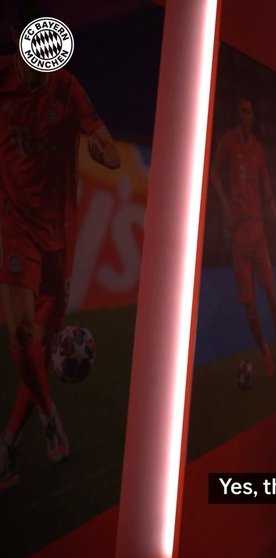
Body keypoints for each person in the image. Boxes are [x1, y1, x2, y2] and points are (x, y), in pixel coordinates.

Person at [0, 0, 121, 489]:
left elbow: (110, 151)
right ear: (15, 34)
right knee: (21, 333)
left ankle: (10, 438)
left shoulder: (67, 88)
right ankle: (50, 416)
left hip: (59, 238)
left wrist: (101, 150)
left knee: (42, 343)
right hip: (14, 229)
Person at [210, 97, 276, 377]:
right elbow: (214, 174)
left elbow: (265, 184)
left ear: (252, 117)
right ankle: (265, 351)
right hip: (239, 236)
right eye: (241, 111)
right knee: (249, 304)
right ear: (237, 115)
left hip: (258, 234)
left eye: (249, 111)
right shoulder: (228, 143)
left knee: (271, 295)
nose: (245, 115)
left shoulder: (258, 148)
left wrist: (274, 211)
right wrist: (223, 204)